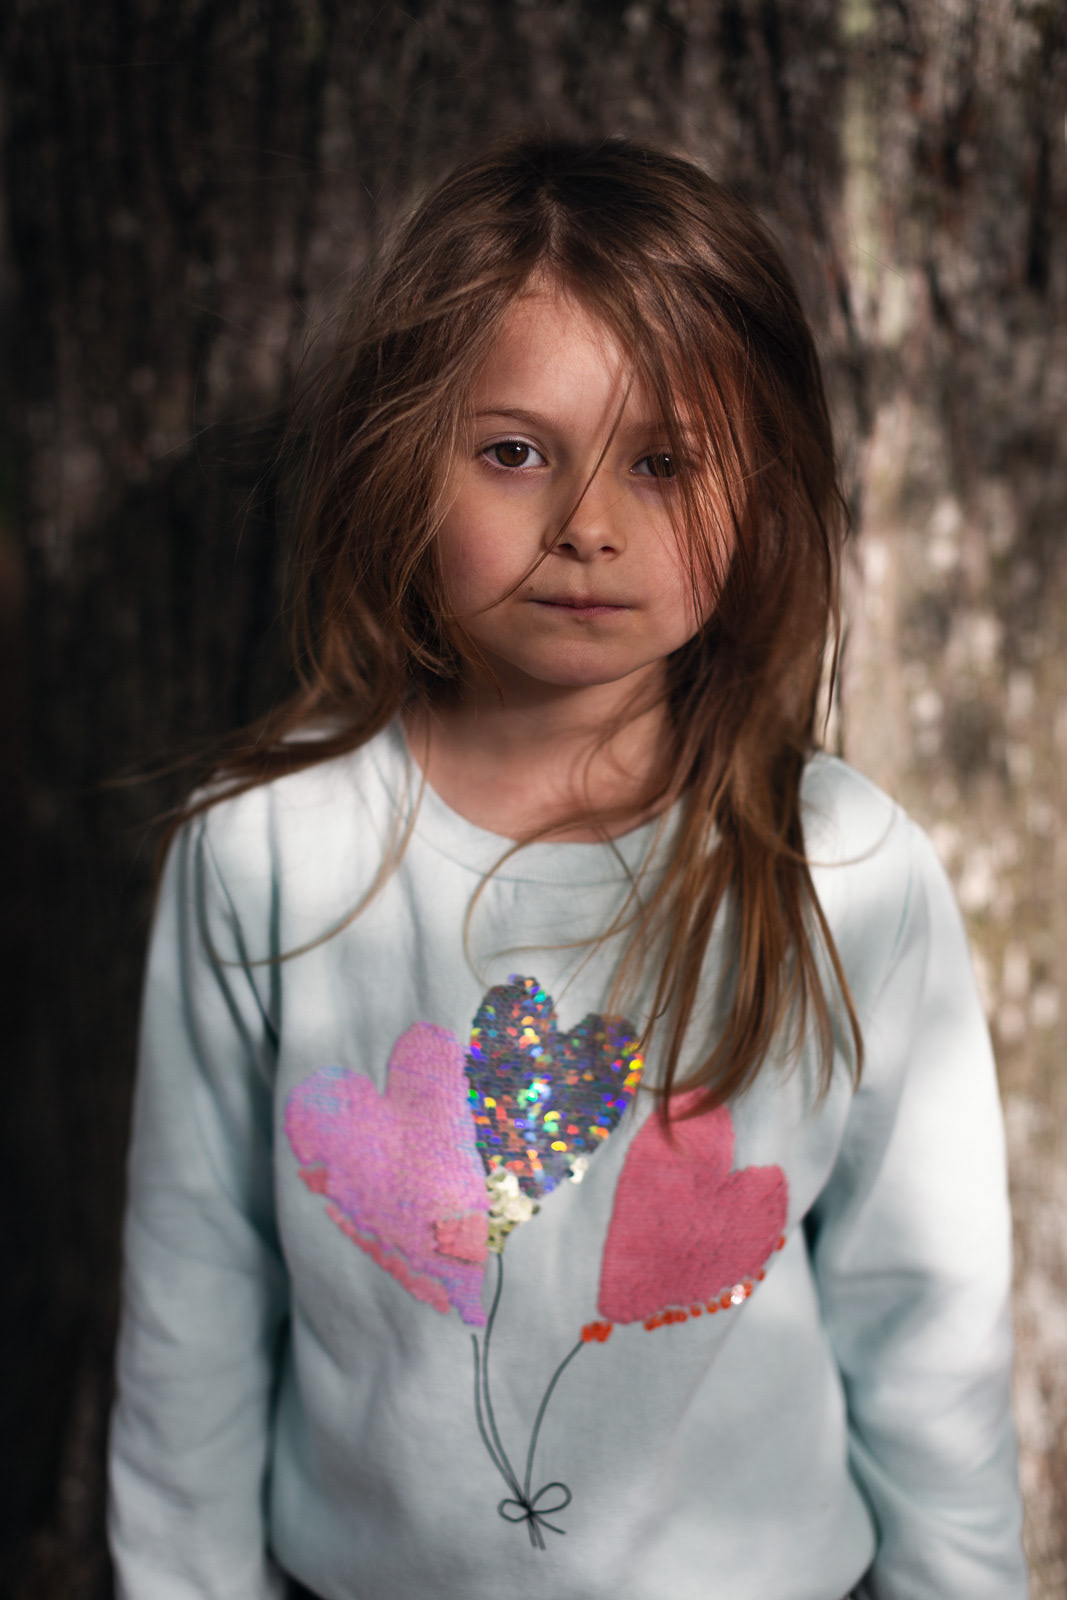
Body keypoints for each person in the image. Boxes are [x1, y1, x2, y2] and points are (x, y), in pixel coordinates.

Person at [107, 136, 1026, 1600]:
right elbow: (193, 1300)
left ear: (761, 486)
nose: (589, 526)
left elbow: (926, 1320)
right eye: (515, 453)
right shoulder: (265, 850)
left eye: (664, 462)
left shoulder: (845, 867)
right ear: (405, 457)